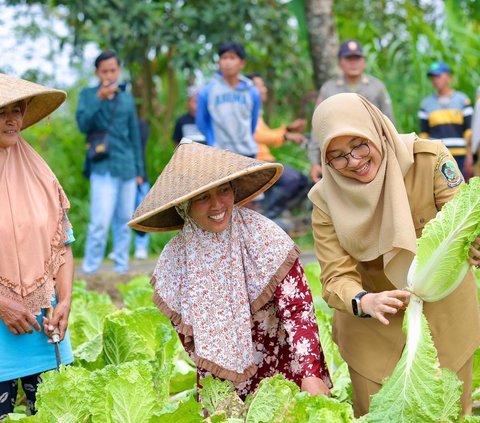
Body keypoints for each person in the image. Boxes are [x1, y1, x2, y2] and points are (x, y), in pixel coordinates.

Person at [308, 92, 480, 417]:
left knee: (450, 412)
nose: (354, 161)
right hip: (373, 326)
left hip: (446, 316)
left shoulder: (428, 159)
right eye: (338, 156)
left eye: (360, 145)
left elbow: (465, 218)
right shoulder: (324, 200)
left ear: (375, 130)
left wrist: (475, 242)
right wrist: (362, 301)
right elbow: (334, 277)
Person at [128, 139, 332, 399]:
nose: (217, 205)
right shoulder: (174, 260)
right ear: (184, 205)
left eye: (223, 191)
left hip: (283, 372)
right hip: (219, 384)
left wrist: (310, 373)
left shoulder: (264, 235)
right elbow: (190, 341)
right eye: (203, 197)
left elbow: (298, 311)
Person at [0, 74, 75, 419]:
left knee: (46, 413)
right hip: (3, 327)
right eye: (1, 112)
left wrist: (66, 302)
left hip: (42, 327)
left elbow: (63, 246)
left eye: (17, 111)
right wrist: (4, 305)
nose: (12, 120)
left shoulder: (40, 173)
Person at [77, 50, 144, 274]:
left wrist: (139, 171)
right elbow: (83, 125)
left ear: (119, 70)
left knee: (125, 220)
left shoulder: (126, 98)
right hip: (101, 165)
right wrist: (99, 98)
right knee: (100, 221)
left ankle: (121, 268)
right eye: (104, 71)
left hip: (126, 165)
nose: (109, 75)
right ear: (97, 72)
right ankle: (89, 269)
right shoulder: (88, 94)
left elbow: (134, 136)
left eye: (113, 70)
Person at [308, 39, 394, 183]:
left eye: (357, 58)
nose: (353, 63)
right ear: (340, 63)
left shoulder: (376, 87)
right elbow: (318, 127)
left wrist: (392, 152)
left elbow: (388, 121)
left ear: (364, 62)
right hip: (340, 158)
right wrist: (314, 161)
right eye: (348, 59)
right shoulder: (329, 89)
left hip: (371, 153)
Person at [247, 73, 310, 225]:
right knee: (292, 179)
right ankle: (267, 217)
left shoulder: (256, 111)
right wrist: (287, 135)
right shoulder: (246, 111)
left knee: (303, 181)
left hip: (266, 159)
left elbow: (265, 134)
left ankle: (273, 214)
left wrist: (287, 129)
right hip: (255, 160)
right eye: (260, 86)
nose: (264, 89)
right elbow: (257, 136)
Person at [196, 41, 261, 157]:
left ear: (241, 63)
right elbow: (201, 122)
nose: (227, 62)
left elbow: (253, 122)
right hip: (218, 154)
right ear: (219, 62)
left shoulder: (252, 92)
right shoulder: (207, 91)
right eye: (224, 58)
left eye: (232, 58)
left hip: (247, 153)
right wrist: (213, 142)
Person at [419, 61, 474, 180]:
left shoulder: (463, 100)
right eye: (432, 77)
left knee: (462, 192)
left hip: (460, 156)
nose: (435, 80)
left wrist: (470, 156)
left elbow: (469, 131)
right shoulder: (426, 104)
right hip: (437, 156)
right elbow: (424, 135)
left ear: (448, 77)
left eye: (438, 76)